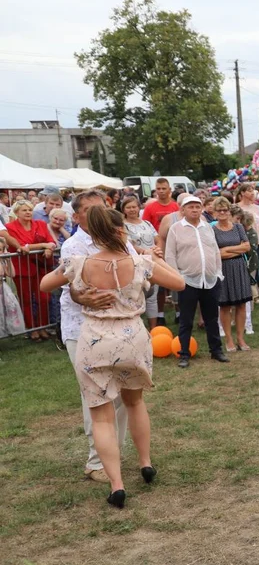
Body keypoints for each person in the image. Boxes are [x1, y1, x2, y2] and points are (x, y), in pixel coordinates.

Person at [41, 204, 186, 508]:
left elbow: (45, 285)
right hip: (132, 337)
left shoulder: (77, 262)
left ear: (92, 233)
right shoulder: (140, 262)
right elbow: (179, 283)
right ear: (121, 230)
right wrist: (154, 258)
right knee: (135, 403)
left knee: (101, 416)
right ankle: (145, 463)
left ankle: (116, 484)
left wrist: (78, 292)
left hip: (95, 340)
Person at [165, 195, 229, 368]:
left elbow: (215, 251)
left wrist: (218, 273)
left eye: (197, 206)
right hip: (187, 281)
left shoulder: (207, 227)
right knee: (186, 320)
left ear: (202, 209)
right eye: (190, 207)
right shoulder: (176, 229)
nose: (194, 209)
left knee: (211, 318)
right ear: (183, 210)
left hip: (209, 280)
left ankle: (216, 351)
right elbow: (170, 255)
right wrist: (176, 277)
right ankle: (184, 354)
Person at [5, 199, 55, 341]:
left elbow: (52, 241)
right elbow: (20, 246)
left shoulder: (40, 224)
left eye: (30, 210)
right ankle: (32, 329)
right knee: (26, 299)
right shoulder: (10, 227)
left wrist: (48, 247)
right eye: (24, 210)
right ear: (16, 213)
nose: (28, 212)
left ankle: (43, 326)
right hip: (22, 268)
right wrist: (43, 245)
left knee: (44, 298)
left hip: (41, 267)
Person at [208, 198, 252, 352]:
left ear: (229, 211)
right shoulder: (211, 230)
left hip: (239, 267)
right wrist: (235, 248)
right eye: (219, 210)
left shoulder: (238, 227)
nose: (222, 213)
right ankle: (229, 339)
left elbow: (247, 247)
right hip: (223, 269)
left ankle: (241, 338)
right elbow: (215, 254)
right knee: (225, 305)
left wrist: (226, 250)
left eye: (225, 210)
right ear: (214, 212)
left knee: (241, 304)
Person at [119, 195, 161, 328]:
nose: (132, 210)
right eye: (128, 207)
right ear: (123, 210)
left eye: (134, 207)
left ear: (139, 207)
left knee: (152, 296)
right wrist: (144, 252)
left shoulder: (147, 223)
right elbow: (128, 244)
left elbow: (157, 238)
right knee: (136, 296)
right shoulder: (123, 226)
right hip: (135, 263)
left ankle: (153, 328)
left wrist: (156, 248)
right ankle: (137, 327)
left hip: (152, 262)